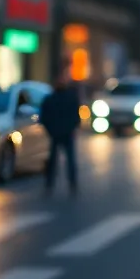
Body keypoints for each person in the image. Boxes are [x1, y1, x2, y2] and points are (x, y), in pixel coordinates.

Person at [40, 66, 82, 195]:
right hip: (61, 133)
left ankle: (58, 183)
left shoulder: (57, 98)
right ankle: (65, 183)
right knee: (61, 160)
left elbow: (75, 116)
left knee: (60, 160)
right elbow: (45, 117)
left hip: (60, 133)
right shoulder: (56, 99)